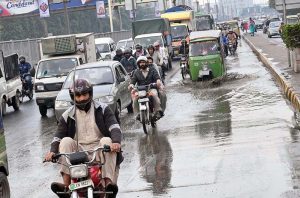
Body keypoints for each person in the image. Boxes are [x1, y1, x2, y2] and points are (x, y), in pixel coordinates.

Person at [44, 79, 123, 198]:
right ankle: (66, 185)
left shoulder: (103, 109)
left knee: (106, 140)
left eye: (84, 94)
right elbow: (58, 136)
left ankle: (107, 183)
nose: (81, 98)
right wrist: (52, 151)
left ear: (90, 94)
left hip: (101, 151)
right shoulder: (67, 115)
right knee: (65, 141)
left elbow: (114, 126)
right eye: (78, 96)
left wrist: (116, 142)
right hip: (79, 154)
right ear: (73, 97)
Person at [128, 56, 164, 120]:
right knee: (135, 98)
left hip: (151, 88)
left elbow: (157, 77)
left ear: (146, 63)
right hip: (141, 90)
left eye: (143, 62)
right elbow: (133, 80)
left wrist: (158, 81)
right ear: (138, 64)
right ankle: (138, 113)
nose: (142, 64)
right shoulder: (136, 72)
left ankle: (158, 111)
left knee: (155, 95)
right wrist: (131, 85)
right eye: (140, 63)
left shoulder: (152, 69)